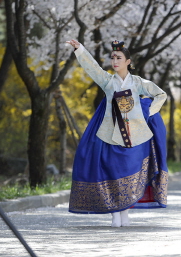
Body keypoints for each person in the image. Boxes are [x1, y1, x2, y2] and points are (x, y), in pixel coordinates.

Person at [66, 39, 168, 227]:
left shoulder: (138, 83)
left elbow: (161, 95)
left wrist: (147, 112)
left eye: (119, 58)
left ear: (128, 61)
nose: (115, 61)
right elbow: (92, 68)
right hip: (111, 135)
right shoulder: (107, 81)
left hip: (136, 137)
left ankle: (125, 212)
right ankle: (115, 213)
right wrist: (79, 49)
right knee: (113, 172)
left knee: (130, 171)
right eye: (113, 57)